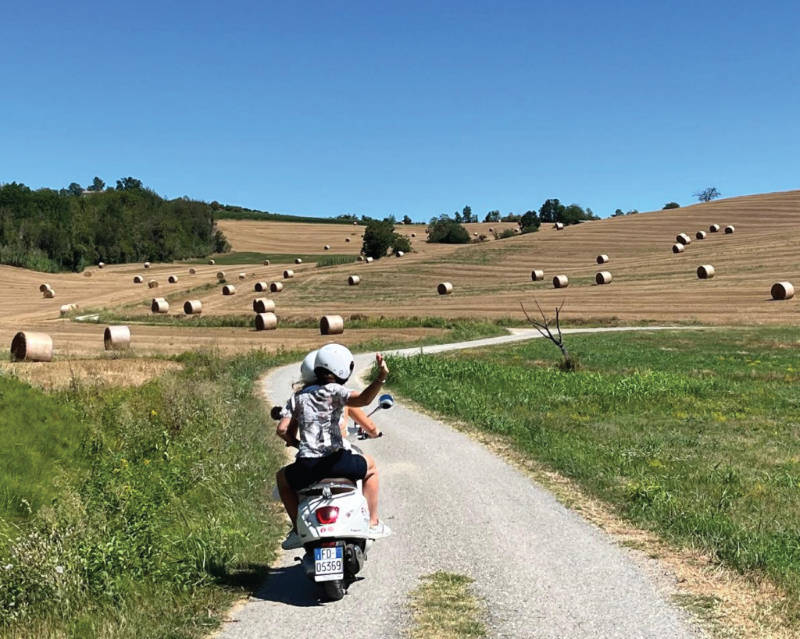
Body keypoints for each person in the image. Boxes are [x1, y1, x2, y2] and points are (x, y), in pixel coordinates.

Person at [275, 344, 390, 550]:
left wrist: (299, 444)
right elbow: (364, 399)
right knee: (371, 467)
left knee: (282, 478)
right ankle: (373, 523)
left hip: (306, 467)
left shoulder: (297, 397)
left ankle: (297, 530)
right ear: (343, 368)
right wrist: (381, 377)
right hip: (336, 463)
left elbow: (283, 430)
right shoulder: (335, 390)